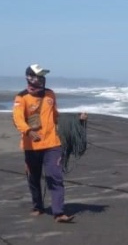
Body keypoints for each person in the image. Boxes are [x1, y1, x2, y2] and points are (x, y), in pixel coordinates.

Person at [11, 63, 82, 223]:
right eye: (38, 76)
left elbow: (56, 116)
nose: (41, 79)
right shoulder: (21, 98)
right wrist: (28, 131)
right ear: (30, 77)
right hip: (31, 146)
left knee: (54, 176)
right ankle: (38, 206)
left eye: (43, 76)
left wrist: (76, 120)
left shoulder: (50, 94)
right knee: (33, 177)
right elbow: (18, 119)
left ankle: (58, 212)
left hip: (52, 143)